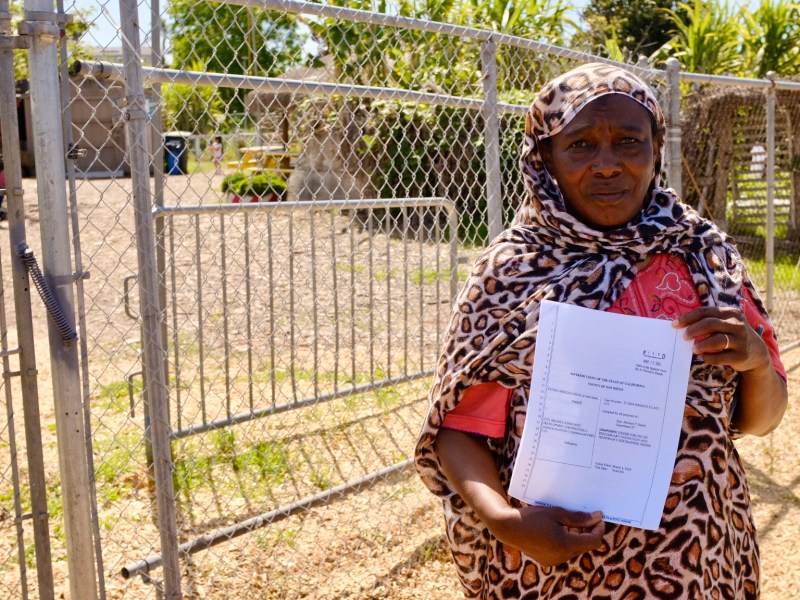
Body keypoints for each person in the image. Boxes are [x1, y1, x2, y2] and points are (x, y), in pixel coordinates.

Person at [414, 63, 788, 599]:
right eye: (581, 145)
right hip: (552, 565)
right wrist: (505, 521)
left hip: (696, 559)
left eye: (628, 142)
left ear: (656, 148)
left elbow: (761, 420)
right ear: (545, 159)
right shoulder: (512, 272)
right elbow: (460, 426)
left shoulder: (704, 257)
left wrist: (753, 361)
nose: (608, 164)